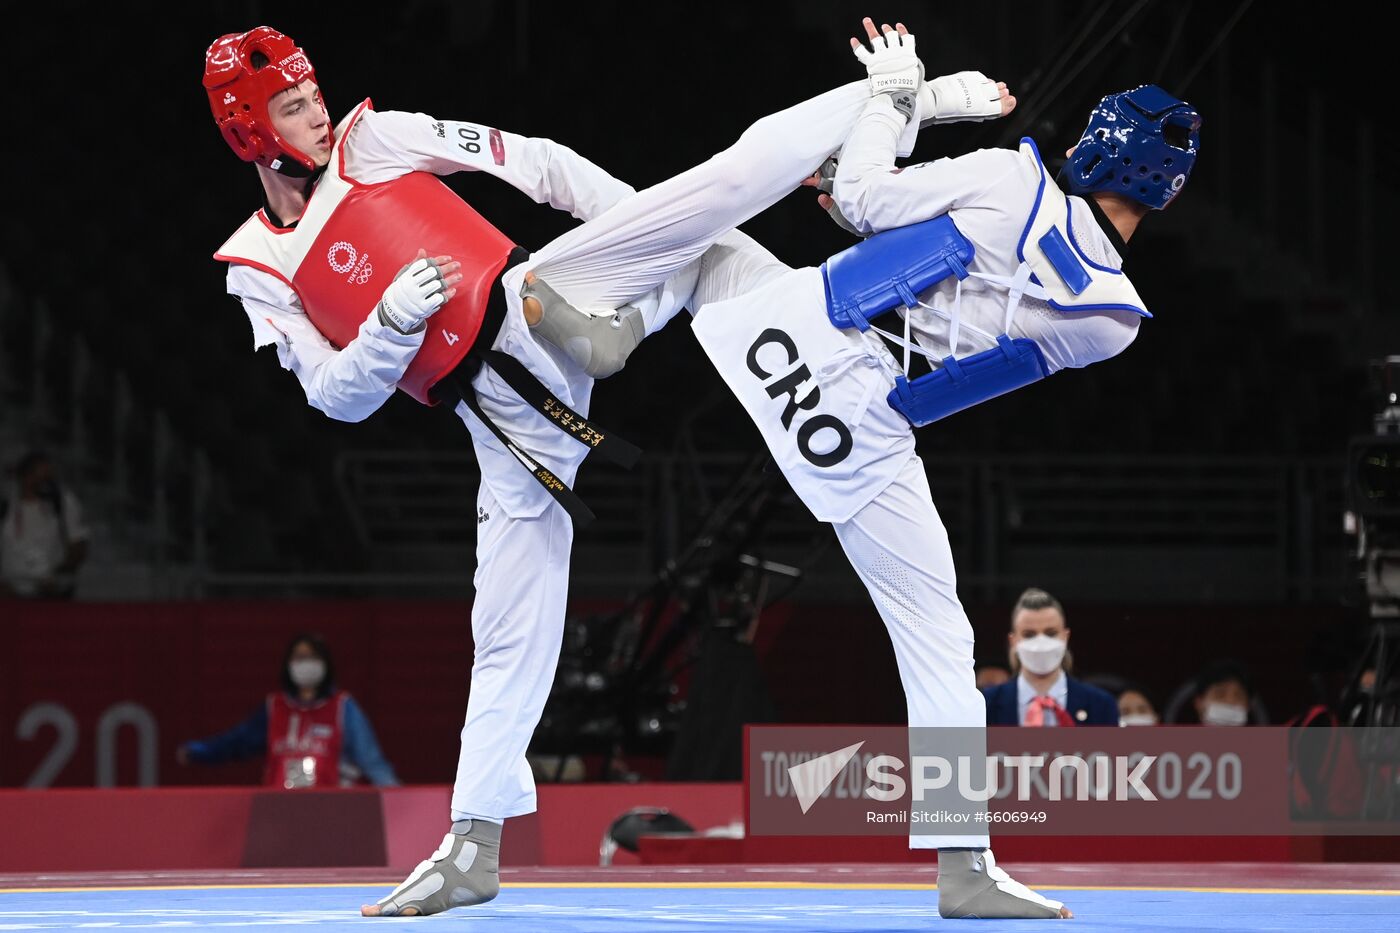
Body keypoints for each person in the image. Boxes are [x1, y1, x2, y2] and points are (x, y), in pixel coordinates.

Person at [202, 20, 1000, 918]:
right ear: (248, 129)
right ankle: (473, 845)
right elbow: (333, 397)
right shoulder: (257, 265)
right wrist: (388, 331)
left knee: (717, 193)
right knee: (507, 631)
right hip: (503, 422)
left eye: (312, 92)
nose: (315, 109)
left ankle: (896, 104)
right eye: (292, 104)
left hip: (548, 296)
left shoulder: (373, 141)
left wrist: (644, 225)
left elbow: (533, 163)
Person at [542, 21, 1200, 915]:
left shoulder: (1012, 176)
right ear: (1160, 196)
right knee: (936, 634)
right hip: (863, 424)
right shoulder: (1114, 321)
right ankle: (964, 865)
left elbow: (859, 199)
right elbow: (975, 359)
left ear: (1100, 148)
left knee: (700, 228)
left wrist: (896, 94)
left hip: (797, 328)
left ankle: (619, 323)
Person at [177, 633, 399, 788]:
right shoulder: (275, 708)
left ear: (325, 663)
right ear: (288, 664)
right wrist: (199, 751)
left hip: (333, 811)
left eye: (313, 657)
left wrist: (399, 801)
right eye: (299, 657)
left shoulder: (343, 707)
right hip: (281, 811)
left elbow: (372, 761)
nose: (306, 663)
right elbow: (237, 742)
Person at [982, 588, 1120, 727]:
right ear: (1013, 641)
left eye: (1051, 633)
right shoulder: (985, 704)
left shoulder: (1100, 704)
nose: (1041, 642)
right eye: (1029, 634)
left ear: (1066, 637)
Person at [0, 450, 90, 599]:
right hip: (9, 594)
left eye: (49, 476)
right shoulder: (6, 505)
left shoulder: (63, 503)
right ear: (25, 477)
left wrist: (61, 575)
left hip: (50, 592)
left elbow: (78, 544)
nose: (46, 482)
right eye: (40, 476)